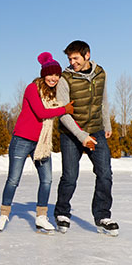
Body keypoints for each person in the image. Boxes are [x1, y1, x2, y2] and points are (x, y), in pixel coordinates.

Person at [0, 52, 74, 233]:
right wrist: (64, 109)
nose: (53, 78)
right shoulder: (32, 88)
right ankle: (4, 214)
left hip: (41, 143)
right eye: (50, 74)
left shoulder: (55, 95)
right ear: (43, 74)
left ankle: (41, 217)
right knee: (14, 179)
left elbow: (65, 112)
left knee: (47, 180)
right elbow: (41, 113)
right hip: (22, 139)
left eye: (56, 75)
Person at [54, 40, 118, 236]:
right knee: (70, 177)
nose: (72, 62)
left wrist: (106, 124)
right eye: (70, 59)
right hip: (71, 133)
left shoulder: (100, 73)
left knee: (105, 173)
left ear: (87, 55)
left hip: (96, 130)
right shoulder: (65, 79)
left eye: (76, 58)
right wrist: (81, 136)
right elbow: (63, 113)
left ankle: (102, 216)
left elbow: (103, 100)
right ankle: (62, 213)